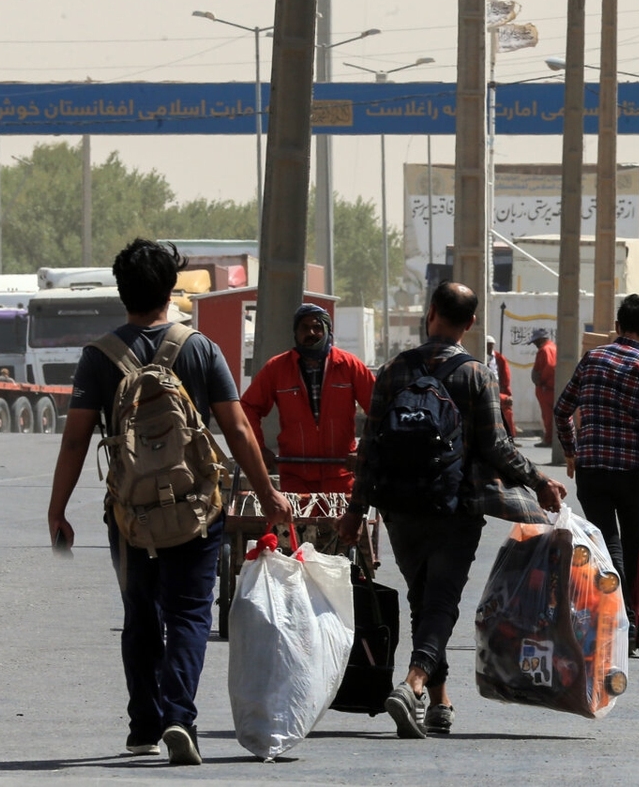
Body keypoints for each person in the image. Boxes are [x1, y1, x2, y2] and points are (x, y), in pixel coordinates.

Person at [46, 239, 292, 765]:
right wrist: (268, 493)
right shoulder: (200, 349)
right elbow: (239, 430)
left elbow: (75, 440)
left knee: (140, 614)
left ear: (121, 292)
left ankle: (143, 726)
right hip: (197, 509)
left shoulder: (99, 358)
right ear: (169, 290)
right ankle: (180, 716)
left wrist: (57, 508)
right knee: (188, 615)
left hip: (129, 514)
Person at [337, 281, 567, 740]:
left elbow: (370, 451)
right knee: (441, 601)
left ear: (431, 314)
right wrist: (540, 481)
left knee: (423, 598)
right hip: (454, 507)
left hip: (399, 508)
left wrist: (355, 510)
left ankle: (438, 702)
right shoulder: (477, 375)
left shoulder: (394, 371)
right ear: (472, 323)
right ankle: (413, 684)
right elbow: (497, 446)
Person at [554, 297, 639, 628]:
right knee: (629, 545)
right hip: (631, 474)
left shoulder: (592, 359)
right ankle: (625, 614)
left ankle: (612, 610)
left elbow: (562, 410)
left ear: (617, 325)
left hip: (591, 471)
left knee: (605, 540)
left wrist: (571, 451)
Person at [240, 303, 375, 493]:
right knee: (298, 522)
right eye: (304, 327)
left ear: (328, 330)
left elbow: (380, 409)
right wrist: (258, 449)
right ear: (296, 332)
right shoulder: (277, 368)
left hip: (341, 473)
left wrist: (364, 451)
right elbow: (248, 407)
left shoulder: (349, 366)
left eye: (317, 327)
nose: (311, 332)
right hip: (295, 476)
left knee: (341, 523)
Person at [485, 334, 517, 438]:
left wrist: (507, 392)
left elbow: (506, 375)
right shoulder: (481, 356)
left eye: (491, 345)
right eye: (488, 345)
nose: (490, 348)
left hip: (498, 389)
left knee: (507, 410)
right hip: (486, 388)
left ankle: (510, 436)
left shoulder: (499, 358)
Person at [530, 328, 557, 447]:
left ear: (541, 339)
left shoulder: (545, 349)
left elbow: (550, 366)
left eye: (535, 341)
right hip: (552, 387)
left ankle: (549, 439)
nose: (534, 344)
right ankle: (553, 438)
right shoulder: (554, 347)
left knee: (548, 415)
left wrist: (541, 380)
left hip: (546, 388)